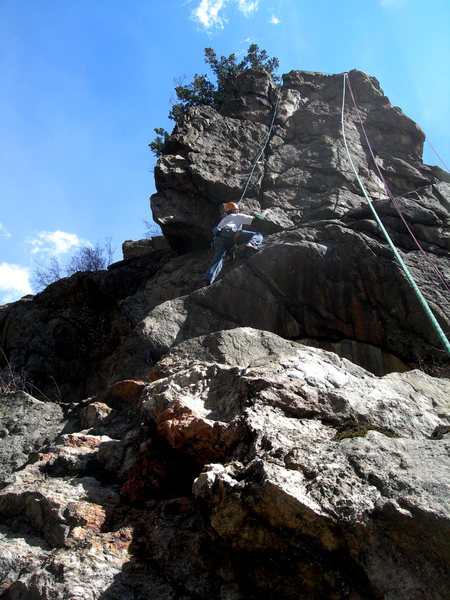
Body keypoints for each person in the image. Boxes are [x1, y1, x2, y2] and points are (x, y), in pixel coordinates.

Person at [202, 202, 267, 286]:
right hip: (231, 233)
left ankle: (206, 280)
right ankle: (251, 244)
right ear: (235, 210)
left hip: (218, 240)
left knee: (217, 261)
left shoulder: (223, 220)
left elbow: (218, 232)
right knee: (258, 235)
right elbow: (258, 218)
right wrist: (265, 212)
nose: (238, 211)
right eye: (237, 210)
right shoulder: (238, 216)